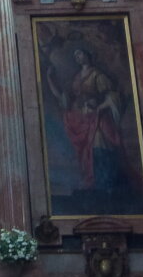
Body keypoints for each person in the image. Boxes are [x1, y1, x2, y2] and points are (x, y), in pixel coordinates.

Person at [47, 47, 131, 203]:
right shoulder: (77, 78)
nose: (78, 57)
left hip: (99, 119)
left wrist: (99, 108)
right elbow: (65, 100)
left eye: (80, 53)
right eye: (76, 55)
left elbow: (113, 97)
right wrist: (50, 80)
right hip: (83, 120)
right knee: (86, 153)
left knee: (99, 145)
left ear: (88, 54)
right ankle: (94, 186)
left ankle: (107, 186)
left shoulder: (97, 75)